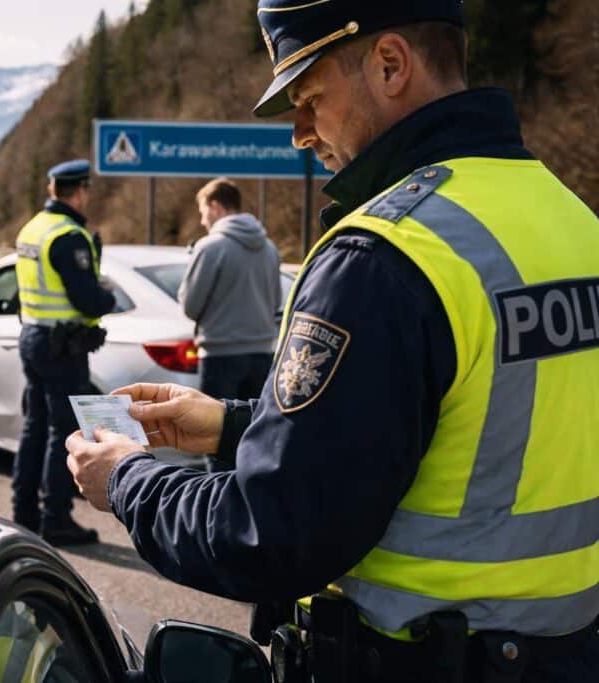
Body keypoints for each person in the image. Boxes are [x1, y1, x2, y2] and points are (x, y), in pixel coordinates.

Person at [65, 1, 599, 680]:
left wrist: (128, 479)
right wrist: (234, 426)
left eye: (309, 97)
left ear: (390, 64)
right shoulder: (571, 218)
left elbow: (273, 533)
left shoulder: (384, 257)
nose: (298, 132)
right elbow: (473, 431)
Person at [12, 159, 115, 547]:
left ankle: (24, 512)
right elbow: (89, 301)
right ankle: (56, 517)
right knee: (61, 431)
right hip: (62, 347)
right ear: (80, 191)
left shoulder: (33, 228)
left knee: (34, 426)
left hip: (33, 337)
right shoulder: (69, 236)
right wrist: (108, 295)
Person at [179, 177, 281, 472]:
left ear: (214, 206)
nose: (201, 220)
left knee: (214, 440)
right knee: (253, 439)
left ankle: (221, 515)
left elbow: (190, 306)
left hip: (220, 356)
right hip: (262, 355)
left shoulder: (210, 247)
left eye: (202, 211)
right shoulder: (269, 248)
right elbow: (275, 302)